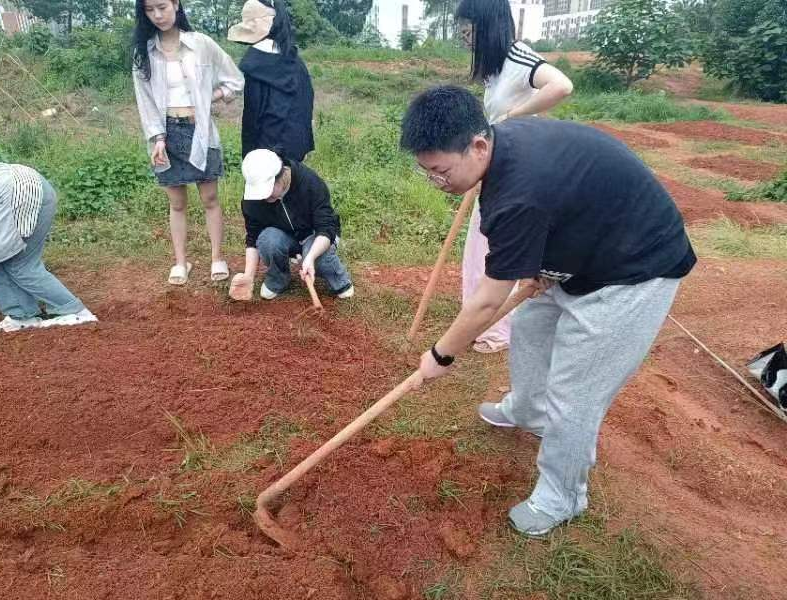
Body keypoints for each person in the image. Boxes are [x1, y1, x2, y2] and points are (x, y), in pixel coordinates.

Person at [400, 86, 696, 537]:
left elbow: (487, 301)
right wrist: (543, 265)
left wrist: (440, 356)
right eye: (427, 173)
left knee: (575, 393)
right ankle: (528, 411)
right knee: (531, 326)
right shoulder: (503, 148)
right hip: (589, 245)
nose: (436, 183)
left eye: (441, 171)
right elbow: (562, 203)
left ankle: (563, 495)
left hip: (634, 268)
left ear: (477, 145)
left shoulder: (518, 193)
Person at [455, 0, 573, 353]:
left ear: (487, 25)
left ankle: (497, 330)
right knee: (479, 245)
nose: (464, 36)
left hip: (520, 169)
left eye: (468, 28)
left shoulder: (519, 56)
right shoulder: (494, 68)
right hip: (496, 164)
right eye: (462, 29)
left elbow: (561, 85)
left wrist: (514, 116)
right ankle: (478, 320)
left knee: (497, 247)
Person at [132, 0, 244, 286]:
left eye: (162, 7)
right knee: (177, 203)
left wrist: (209, 98)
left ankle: (217, 258)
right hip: (166, 133)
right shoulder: (144, 52)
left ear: (176, 4)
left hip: (200, 130)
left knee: (210, 198)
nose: (157, 15)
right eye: (149, 10)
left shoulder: (201, 44)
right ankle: (181, 262)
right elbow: (145, 102)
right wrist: (157, 138)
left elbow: (235, 80)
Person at [228, 149, 353, 302]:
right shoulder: (253, 199)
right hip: (284, 235)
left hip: (315, 235)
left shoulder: (310, 182)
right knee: (267, 241)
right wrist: (248, 275)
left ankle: (339, 280)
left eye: (267, 191)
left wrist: (310, 258)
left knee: (318, 258)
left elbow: (326, 228)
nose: (263, 198)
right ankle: (278, 279)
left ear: (281, 176)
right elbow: (253, 237)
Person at [0, 163, 97, 333]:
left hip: (20, 194)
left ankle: (75, 312)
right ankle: (21, 315)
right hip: (22, 188)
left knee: (20, 265)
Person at [228, 0, 315, 162]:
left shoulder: (254, 65)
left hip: (266, 151)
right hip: (297, 145)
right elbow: (307, 103)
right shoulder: (296, 61)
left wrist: (249, 155)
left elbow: (252, 116)